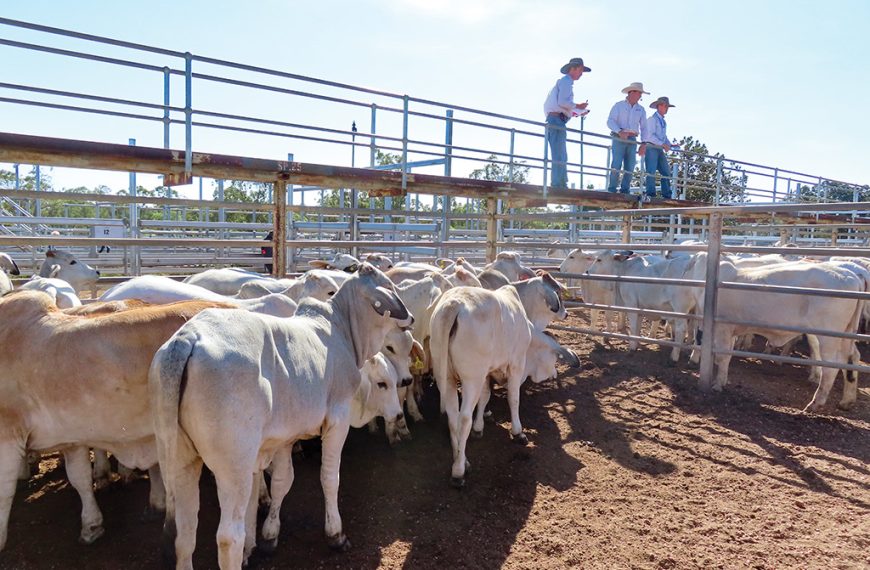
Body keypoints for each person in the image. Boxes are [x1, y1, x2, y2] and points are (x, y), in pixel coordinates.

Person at [543, 57, 590, 188]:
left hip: (557, 119)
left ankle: (560, 182)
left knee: (560, 154)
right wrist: (578, 106)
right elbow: (563, 102)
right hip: (557, 120)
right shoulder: (566, 81)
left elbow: (562, 105)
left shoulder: (564, 82)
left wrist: (576, 110)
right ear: (573, 69)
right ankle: (559, 183)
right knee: (560, 154)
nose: (581, 74)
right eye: (580, 70)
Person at [606, 82, 648, 193]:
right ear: (632, 92)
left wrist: (644, 143)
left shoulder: (641, 109)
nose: (640, 95)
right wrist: (619, 131)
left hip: (632, 139)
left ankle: (625, 190)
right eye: (639, 93)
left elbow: (644, 128)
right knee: (616, 164)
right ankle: (612, 189)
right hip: (619, 137)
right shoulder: (618, 105)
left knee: (630, 166)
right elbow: (610, 121)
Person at [640, 96, 678, 199]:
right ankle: (650, 193)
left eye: (667, 106)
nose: (667, 108)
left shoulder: (662, 121)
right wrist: (663, 144)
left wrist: (670, 144)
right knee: (651, 171)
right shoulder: (652, 119)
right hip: (651, 147)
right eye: (665, 106)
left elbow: (663, 137)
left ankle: (667, 194)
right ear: (659, 106)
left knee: (666, 171)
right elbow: (649, 136)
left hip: (658, 148)